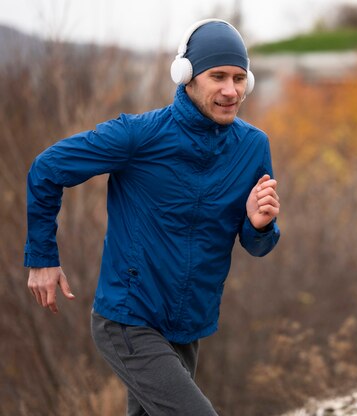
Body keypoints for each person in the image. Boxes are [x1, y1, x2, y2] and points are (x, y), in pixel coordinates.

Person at [24, 19, 280, 415]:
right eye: (218, 77)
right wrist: (42, 257)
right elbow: (47, 168)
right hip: (128, 319)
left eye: (239, 78)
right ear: (186, 76)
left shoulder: (252, 147)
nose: (231, 91)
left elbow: (257, 245)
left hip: (189, 324)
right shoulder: (138, 136)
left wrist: (259, 225)